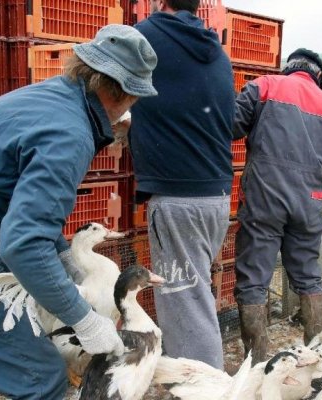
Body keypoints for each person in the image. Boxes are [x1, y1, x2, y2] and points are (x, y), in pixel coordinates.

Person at [0, 25, 158, 399]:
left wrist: (66, 260)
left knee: (34, 352)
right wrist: (85, 320)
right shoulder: (69, 134)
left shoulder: (56, 97)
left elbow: (26, 207)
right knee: (39, 376)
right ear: (121, 92)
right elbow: (23, 244)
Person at [129, 0, 235, 369]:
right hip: (215, 195)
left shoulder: (146, 36)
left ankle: (204, 386)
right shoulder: (216, 52)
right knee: (195, 296)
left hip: (178, 198)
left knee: (187, 309)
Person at [232, 48, 322, 363]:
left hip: (264, 199)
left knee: (254, 279)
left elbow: (230, 125)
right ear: (318, 76)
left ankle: (256, 363)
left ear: (289, 68)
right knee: (308, 277)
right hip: (308, 205)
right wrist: (313, 197)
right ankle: (318, 356)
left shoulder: (265, 86)